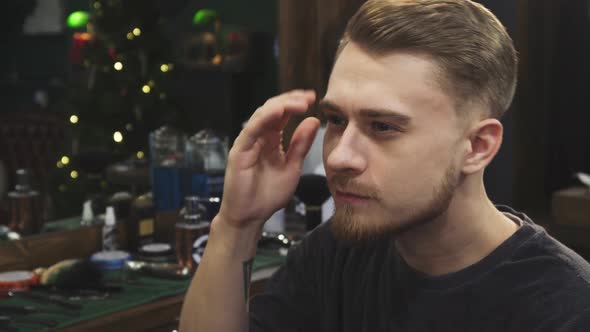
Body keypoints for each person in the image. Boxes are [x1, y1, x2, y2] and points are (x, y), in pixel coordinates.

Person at [179, 0, 590, 331]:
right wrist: (236, 226)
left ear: (477, 147)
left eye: (383, 127)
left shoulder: (564, 307)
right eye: (337, 119)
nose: (338, 156)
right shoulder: (336, 255)